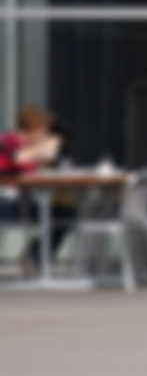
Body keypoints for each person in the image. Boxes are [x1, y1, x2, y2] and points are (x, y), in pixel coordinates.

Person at [1, 104, 70, 273]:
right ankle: (33, 258)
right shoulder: (9, 141)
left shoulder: (26, 148)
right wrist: (43, 147)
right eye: (44, 130)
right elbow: (19, 159)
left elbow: (35, 169)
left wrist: (48, 154)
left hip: (20, 202)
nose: (46, 134)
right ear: (33, 129)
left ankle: (33, 256)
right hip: (5, 202)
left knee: (65, 214)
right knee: (57, 214)